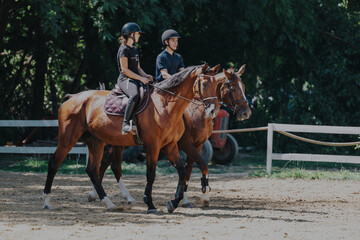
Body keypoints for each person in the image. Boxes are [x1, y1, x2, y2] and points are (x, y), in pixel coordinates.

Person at [117, 22, 153, 134]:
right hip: (125, 79)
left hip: (135, 78)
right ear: (131, 34)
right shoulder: (124, 49)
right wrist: (141, 79)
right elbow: (125, 70)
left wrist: (146, 75)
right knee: (135, 95)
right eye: (138, 33)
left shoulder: (134, 49)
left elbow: (138, 68)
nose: (139, 36)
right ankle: (125, 124)